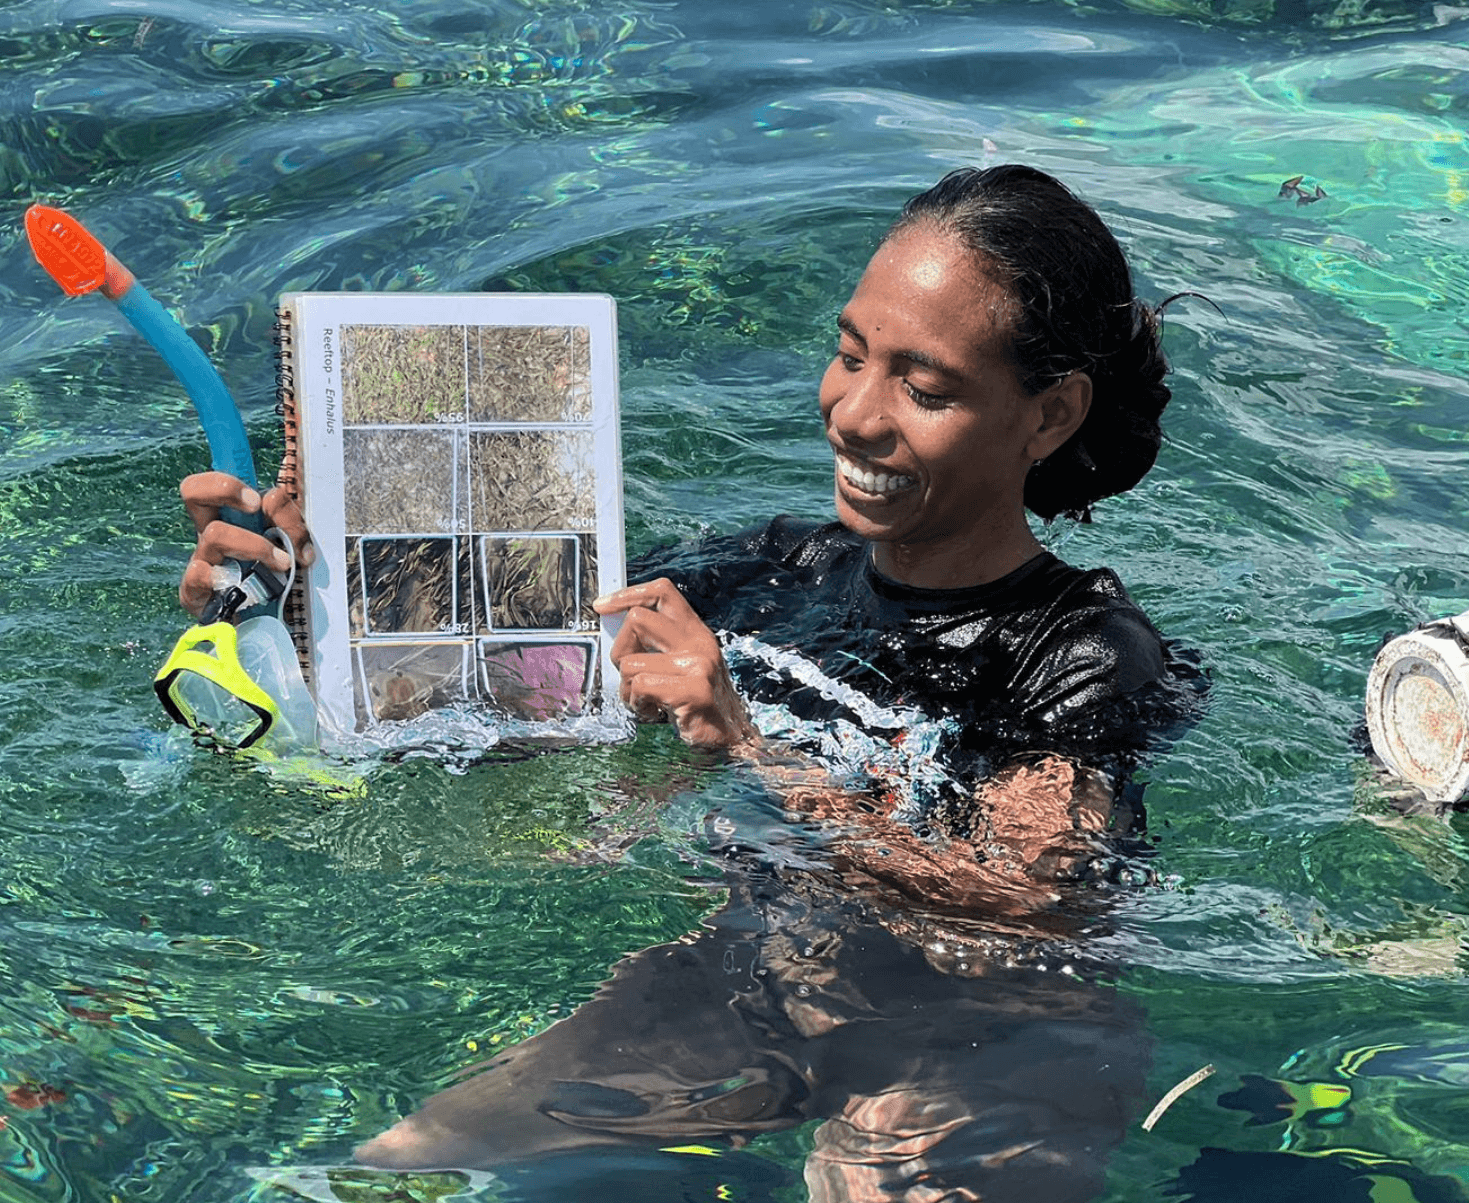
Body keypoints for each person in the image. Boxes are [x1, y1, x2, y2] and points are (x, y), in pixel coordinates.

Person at [178, 164, 1200, 1200]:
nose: (853, 414)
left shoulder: (1079, 652)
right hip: (736, 984)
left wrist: (750, 750)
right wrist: (296, 587)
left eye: (922, 389)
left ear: (1049, 413)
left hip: (972, 1047)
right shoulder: (761, 574)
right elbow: (474, 681)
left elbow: (1025, 917)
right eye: (849, 355)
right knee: (390, 1171)